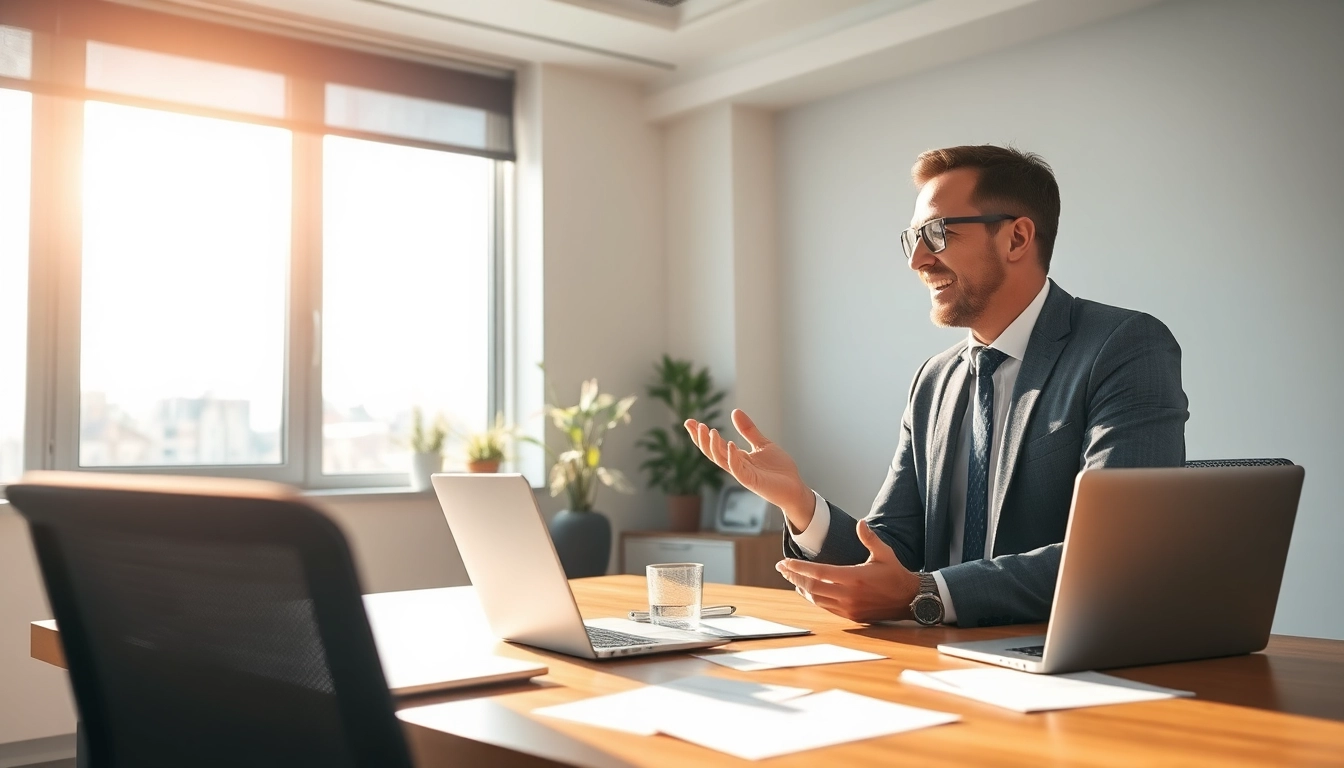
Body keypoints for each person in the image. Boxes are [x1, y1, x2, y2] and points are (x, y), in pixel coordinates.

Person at [685, 145, 1188, 628]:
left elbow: (1118, 551)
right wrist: (800, 504)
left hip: (1067, 666)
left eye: (938, 233)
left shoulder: (1123, 347)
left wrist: (927, 594)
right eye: (912, 238)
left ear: (1016, 239)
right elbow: (890, 551)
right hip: (939, 662)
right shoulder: (934, 380)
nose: (918, 260)